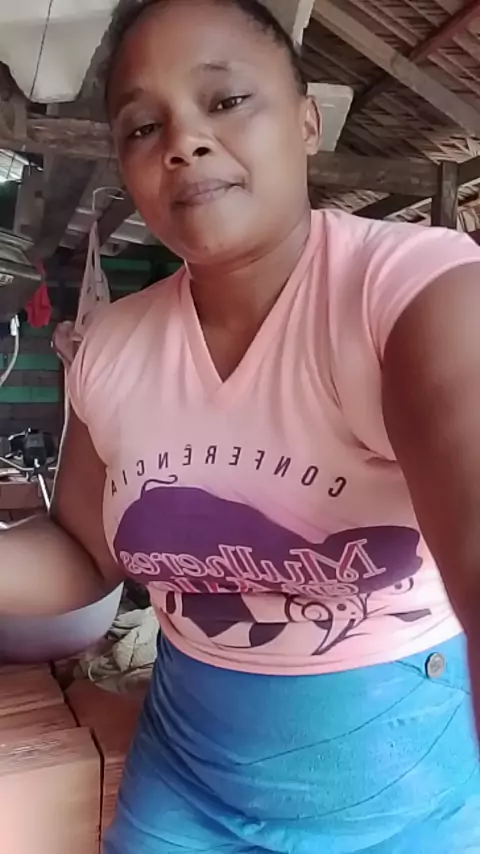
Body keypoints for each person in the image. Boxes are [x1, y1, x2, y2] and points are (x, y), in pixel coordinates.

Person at [2, 0, 480, 850]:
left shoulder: (414, 295)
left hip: (401, 782)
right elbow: (82, 553)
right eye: (143, 127)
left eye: (225, 101)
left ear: (306, 121)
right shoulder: (112, 348)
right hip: (190, 773)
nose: (183, 141)